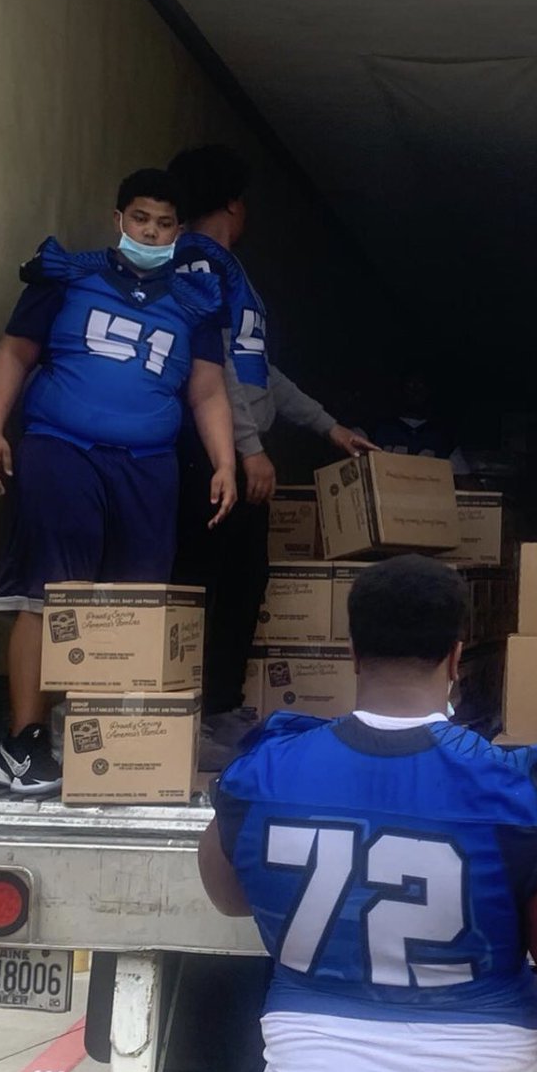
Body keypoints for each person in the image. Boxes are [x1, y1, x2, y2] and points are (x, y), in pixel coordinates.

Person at [199, 555, 537, 1072]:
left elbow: (230, 897)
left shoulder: (261, 770)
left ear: (354, 653)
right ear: (455, 659)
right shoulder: (517, 789)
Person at [0, 169, 236, 794]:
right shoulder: (65, 274)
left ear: (180, 231)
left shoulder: (196, 300)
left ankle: (113, 740)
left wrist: (224, 459)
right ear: (119, 217)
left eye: (165, 222)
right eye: (142, 218)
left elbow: (205, 390)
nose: (152, 231)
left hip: (147, 464)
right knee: (49, 591)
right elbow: (15, 352)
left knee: (134, 606)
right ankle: (24, 742)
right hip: (62, 449)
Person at [166, 145, 375, 724]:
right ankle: (201, 713)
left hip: (233, 447)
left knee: (240, 579)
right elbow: (214, 372)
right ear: (234, 203)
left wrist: (330, 427)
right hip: (210, 451)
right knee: (209, 584)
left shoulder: (230, 272)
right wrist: (249, 449)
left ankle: (219, 709)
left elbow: (261, 370)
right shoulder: (198, 266)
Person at [366, 371, 471, 475]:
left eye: (420, 386)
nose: (414, 392)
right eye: (409, 386)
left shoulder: (444, 439)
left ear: (429, 391)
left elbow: (464, 480)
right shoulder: (375, 429)